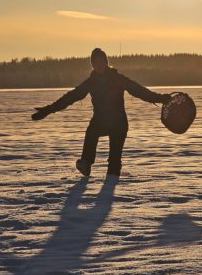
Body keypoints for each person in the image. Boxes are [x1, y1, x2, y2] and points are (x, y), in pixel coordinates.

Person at [31, 48, 170, 179]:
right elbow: (70, 97)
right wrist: (48, 110)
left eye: (100, 61)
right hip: (100, 122)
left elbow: (140, 91)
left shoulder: (118, 79)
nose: (98, 65)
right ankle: (86, 163)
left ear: (106, 62)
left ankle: (111, 184)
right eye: (94, 62)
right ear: (92, 65)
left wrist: (161, 98)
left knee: (114, 162)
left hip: (118, 123)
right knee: (91, 132)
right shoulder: (91, 82)